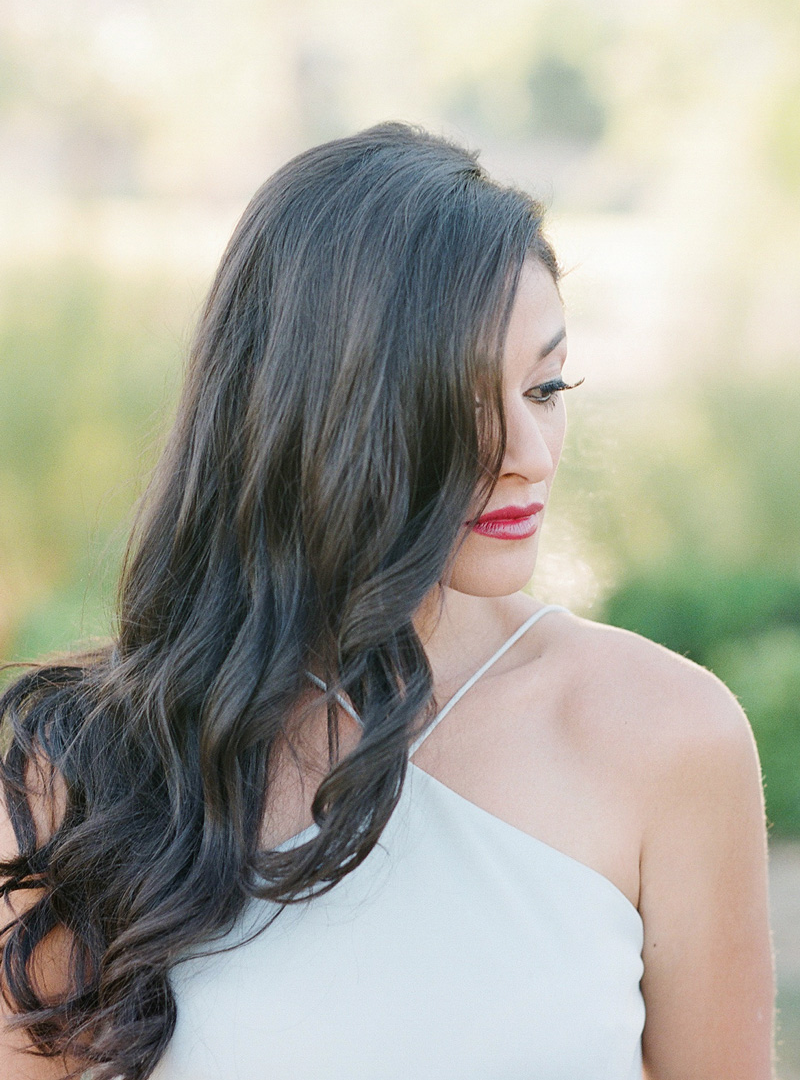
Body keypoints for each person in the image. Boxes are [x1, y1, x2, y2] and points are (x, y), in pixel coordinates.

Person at [0, 122, 774, 1080]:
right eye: (459, 406)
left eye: (545, 387)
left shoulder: (670, 736)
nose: (530, 456)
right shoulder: (90, 772)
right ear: (311, 413)